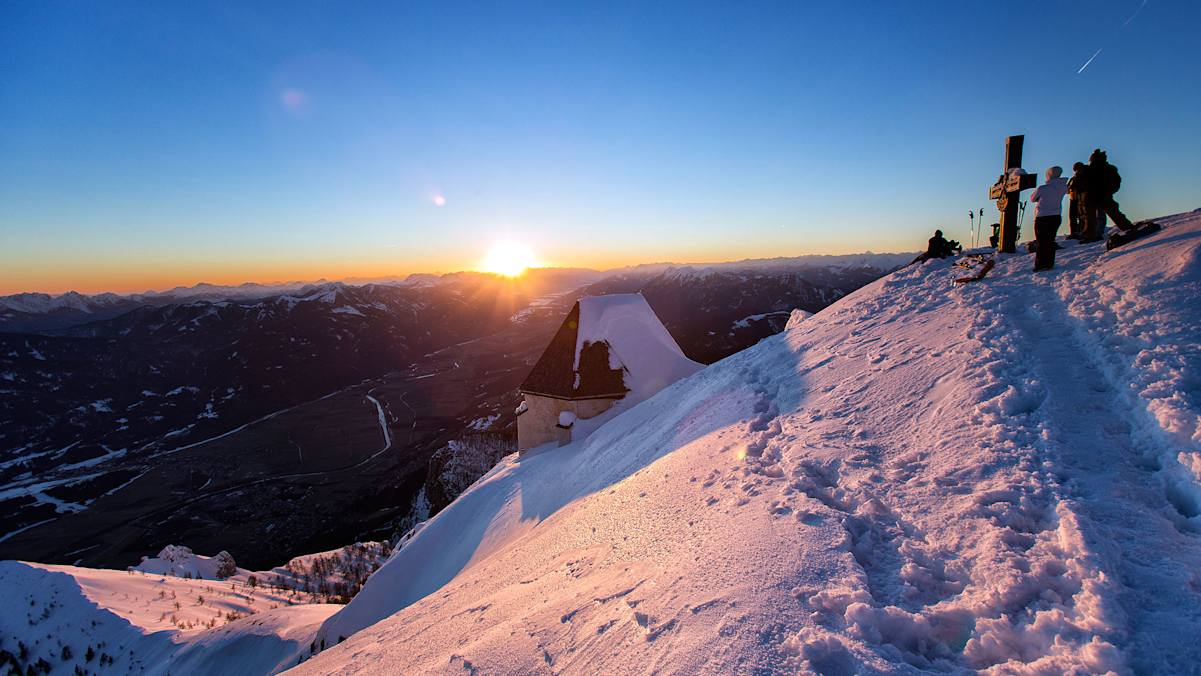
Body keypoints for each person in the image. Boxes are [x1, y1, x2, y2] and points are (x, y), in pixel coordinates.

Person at [1084, 148, 1135, 238]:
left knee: (1094, 217)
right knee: (1111, 213)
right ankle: (1127, 227)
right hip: (1097, 196)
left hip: (1096, 196)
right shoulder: (1105, 169)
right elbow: (1116, 183)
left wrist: (1107, 191)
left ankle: (1090, 235)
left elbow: (1115, 183)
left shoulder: (1104, 169)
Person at [1029, 166, 1069, 271]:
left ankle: (1040, 264)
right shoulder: (1062, 188)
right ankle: (1049, 263)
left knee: (1041, 241)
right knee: (1050, 240)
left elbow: (1032, 198)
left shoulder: (1042, 188)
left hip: (1042, 217)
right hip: (1055, 216)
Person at [1066, 162, 1085, 239]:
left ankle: (1081, 231)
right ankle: (1074, 232)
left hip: (1080, 199)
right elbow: (1067, 189)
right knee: (1073, 217)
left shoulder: (1083, 178)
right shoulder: (1073, 179)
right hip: (1073, 199)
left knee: (1081, 216)